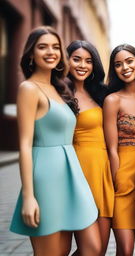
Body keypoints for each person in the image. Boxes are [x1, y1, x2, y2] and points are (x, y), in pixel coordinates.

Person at [10, 26, 101, 256]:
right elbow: (24, 145)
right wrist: (29, 197)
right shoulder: (28, 88)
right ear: (31, 54)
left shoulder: (59, 88)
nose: (50, 52)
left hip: (72, 174)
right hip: (46, 177)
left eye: (55, 47)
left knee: (93, 247)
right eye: (42, 47)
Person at [66, 40, 114, 255]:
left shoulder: (101, 93)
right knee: (91, 249)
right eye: (76, 59)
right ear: (65, 61)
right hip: (79, 170)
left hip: (103, 171)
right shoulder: (60, 94)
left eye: (88, 61)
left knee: (100, 248)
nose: (82, 65)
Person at [103, 44, 135, 256]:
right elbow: (111, 149)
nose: (125, 67)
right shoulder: (113, 100)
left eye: (129, 61)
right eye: (118, 64)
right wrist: (117, 181)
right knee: (126, 248)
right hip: (123, 177)